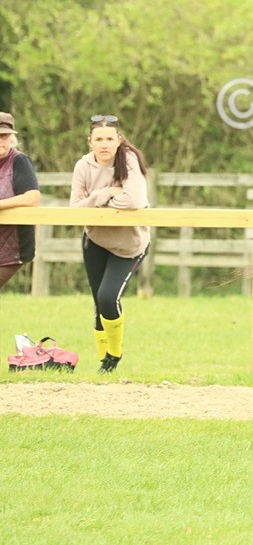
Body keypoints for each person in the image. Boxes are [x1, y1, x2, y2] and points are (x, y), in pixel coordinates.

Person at [70, 115, 150, 373]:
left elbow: (134, 201)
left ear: (119, 140)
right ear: (90, 142)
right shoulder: (83, 166)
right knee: (98, 303)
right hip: (95, 240)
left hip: (129, 244)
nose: (104, 144)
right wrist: (103, 194)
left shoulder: (128, 161)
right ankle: (104, 364)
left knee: (108, 297)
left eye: (109, 139)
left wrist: (96, 202)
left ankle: (114, 354)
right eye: (98, 139)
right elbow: (75, 208)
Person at [0, 113, 42, 290]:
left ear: (12, 138)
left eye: (4, 136)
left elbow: (32, 197)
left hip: (13, 247)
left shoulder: (19, 161)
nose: (0, 140)